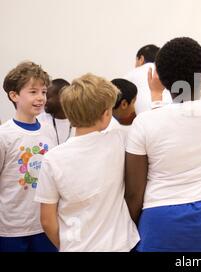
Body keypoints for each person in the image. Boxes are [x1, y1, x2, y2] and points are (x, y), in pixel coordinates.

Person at [124, 37, 201, 252]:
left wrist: (128, 229)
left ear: (162, 78)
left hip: (159, 218)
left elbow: (134, 192)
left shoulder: (144, 122)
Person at [35, 74, 139, 252]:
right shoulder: (117, 140)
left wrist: (68, 246)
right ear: (106, 113)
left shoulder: (53, 158)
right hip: (120, 245)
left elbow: (47, 220)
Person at [0, 61, 57, 252]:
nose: (40, 97)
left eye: (43, 92)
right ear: (14, 95)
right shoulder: (4, 135)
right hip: (10, 229)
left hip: (44, 225)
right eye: (33, 92)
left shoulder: (49, 131)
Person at [124, 44, 172, 115]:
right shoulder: (169, 73)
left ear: (141, 59)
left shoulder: (131, 74)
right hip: (170, 116)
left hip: (143, 119)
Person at [38, 78, 73, 145]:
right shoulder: (38, 121)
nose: (43, 100)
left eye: (48, 97)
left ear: (62, 97)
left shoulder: (80, 122)